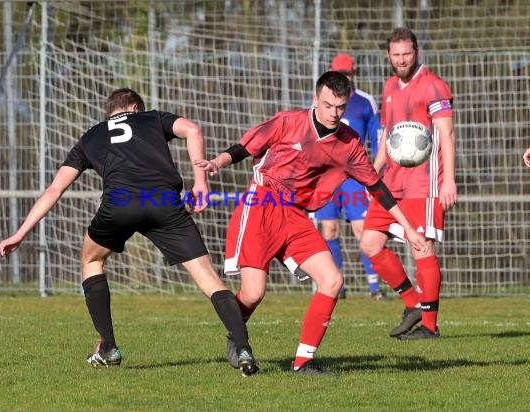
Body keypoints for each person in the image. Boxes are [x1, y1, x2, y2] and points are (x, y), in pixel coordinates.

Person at [0, 88, 259, 376]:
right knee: (209, 280)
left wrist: (20, 233)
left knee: (91, 260)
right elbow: (192, 130)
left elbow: (55, 189)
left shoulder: (91, 136)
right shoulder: (151, 118)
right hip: (164, 202)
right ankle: (243, 348)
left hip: (119, 204)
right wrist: (201, 184)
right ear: (134, 107)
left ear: (112, 111)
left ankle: (108, 347)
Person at [195, 71, 428, 374]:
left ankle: (304, 361)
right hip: (262, 204)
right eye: (328, 105)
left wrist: (408, 228)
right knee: (253, 293)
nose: (334, 113)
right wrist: (217, 162)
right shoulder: (289, 122)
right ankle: (236, 337)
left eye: (340, 107)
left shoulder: (349, 143)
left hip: (295, 215)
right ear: (316, 99)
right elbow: (246, 147)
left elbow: (376, 186)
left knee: (332, 280)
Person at [360, 27, 457, 340]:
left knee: (421, 247)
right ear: (389, 55)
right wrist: (372, 172)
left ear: (417, 52)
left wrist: (449, 180)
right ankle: (412, 303)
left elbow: (447, 135)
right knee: (370, 243)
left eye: (407, 54)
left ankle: (429, 327)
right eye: (396, 54)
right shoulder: (389, 85)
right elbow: (388, 136)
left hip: (423, 184)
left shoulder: (433, 86)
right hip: (391, 182)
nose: (401, 60)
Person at [313, 53, 386, 300]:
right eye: (339, 72)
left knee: (362, 230)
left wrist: (374, 171)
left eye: (347, 72)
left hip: (354, 177)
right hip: (325, 179)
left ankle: (375, 287)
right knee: (329, 230)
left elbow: (377, 138)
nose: (343, 76)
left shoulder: (365, 102)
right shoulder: (321, 102)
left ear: (353, 74)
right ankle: (337, 286)